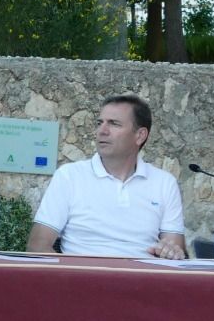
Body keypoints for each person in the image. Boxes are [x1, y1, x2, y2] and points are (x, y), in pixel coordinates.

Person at [28, 94, 187, 258]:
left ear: (140, 135)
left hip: (142, 273)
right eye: (100, 123)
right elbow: (37, 247)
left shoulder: (164, 183)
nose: (102, 131)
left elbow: (173, 252)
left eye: (114, 124)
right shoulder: (70, 176)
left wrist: (171, 252)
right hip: (82, 272)